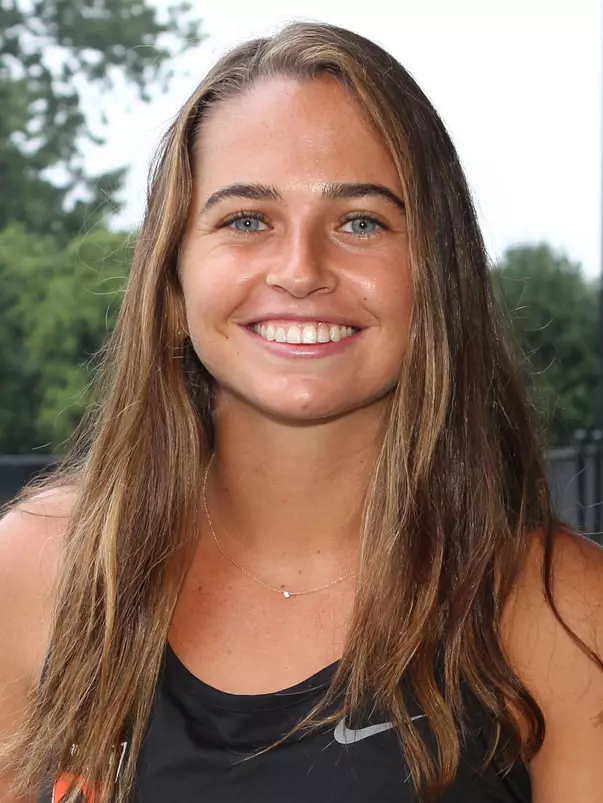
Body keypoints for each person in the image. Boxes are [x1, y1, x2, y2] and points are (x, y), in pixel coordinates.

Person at [0, 20, 602, 803]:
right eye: (246, 220)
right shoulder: (35, 573)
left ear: (436, 281)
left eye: (360, 221)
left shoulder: (562, 613)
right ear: (174, 286)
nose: (300, 270)